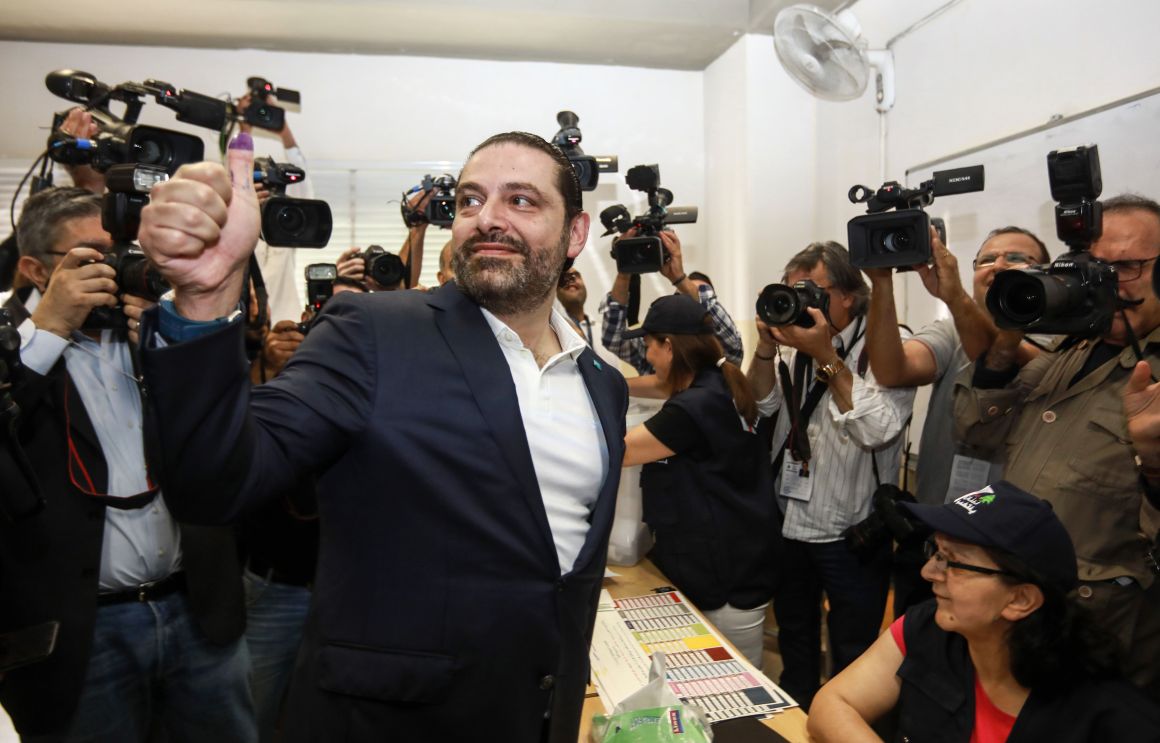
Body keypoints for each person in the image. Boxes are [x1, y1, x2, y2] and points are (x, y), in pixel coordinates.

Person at [135, 130, 628, 742]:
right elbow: (215, 481)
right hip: (388, 719)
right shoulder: (373, 332)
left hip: (535, 714)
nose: (488, 219)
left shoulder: (601, 381)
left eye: (522, 201)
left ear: (575, 234)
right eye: (471, 201)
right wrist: (204, 301)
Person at [0, 187, 254, 741]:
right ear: (34, 269)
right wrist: (47, 333)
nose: (121, 269)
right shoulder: (9, 348)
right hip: (77, 633)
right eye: (96, 256)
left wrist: (169, 350)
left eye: (127, 253)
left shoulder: (152, 329)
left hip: (197, 608)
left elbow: (228, 431)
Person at [954, 194, 1160, 700]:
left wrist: (1155, 465)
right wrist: (1004, 346)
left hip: (1100, 634)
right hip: (1016, 616)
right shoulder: (1069, 349)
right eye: (1096, 268)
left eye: (1128, 266)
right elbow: (976, 434)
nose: (1110, 284)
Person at [808, 480, 1160, 742]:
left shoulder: (1111, 720)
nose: (929, 572)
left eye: (954, 563)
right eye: (937, 552)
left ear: (1020, 600)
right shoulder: (927, 627)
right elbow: (831, 704)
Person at [746, 241, 915, 710]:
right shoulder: (797, 342)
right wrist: (764, 349)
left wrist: (825, 355)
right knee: (795, 642)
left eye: (813, 290)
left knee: (853, 653)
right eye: (793, 290)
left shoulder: (885, 342)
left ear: (849, 295)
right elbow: (760, 406)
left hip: (851, 532)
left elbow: (878, 428)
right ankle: (799, 721)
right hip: (790, 522)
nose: (802, 302)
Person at [864, 225, 1051, 615]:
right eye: (987, 259)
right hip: (938, 534)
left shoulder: (1058, 340)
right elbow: (890, 370)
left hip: (1009, 548)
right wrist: (881, 282)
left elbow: (997, 360)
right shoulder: (949, 331)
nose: (999, 265)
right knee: (917, 651)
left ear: (1046, 275)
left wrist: (953, 295)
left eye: (1016, 258)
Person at [621, 294, 778, 667]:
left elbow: (621, 451)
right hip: (741, 560)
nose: (648, 357)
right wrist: (614, 384)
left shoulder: (690, 410)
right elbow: (660, 386)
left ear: (670, 346)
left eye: (650, 347)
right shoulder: (718, 384)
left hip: (721, 578)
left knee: (735, 690)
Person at [600, 229, 743, 374]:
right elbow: (614, 339)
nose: (690, 308)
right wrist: (624, 272)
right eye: (683, 298)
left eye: (698, 299)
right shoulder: (656, 355)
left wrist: (679, 279)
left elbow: (732, 343)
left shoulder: (720, 358)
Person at [557, 266, 594, 346]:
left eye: (576, 275)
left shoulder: (607, 330)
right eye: (564, 277)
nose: (571, 280)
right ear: (556, 292)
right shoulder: (555, 333)